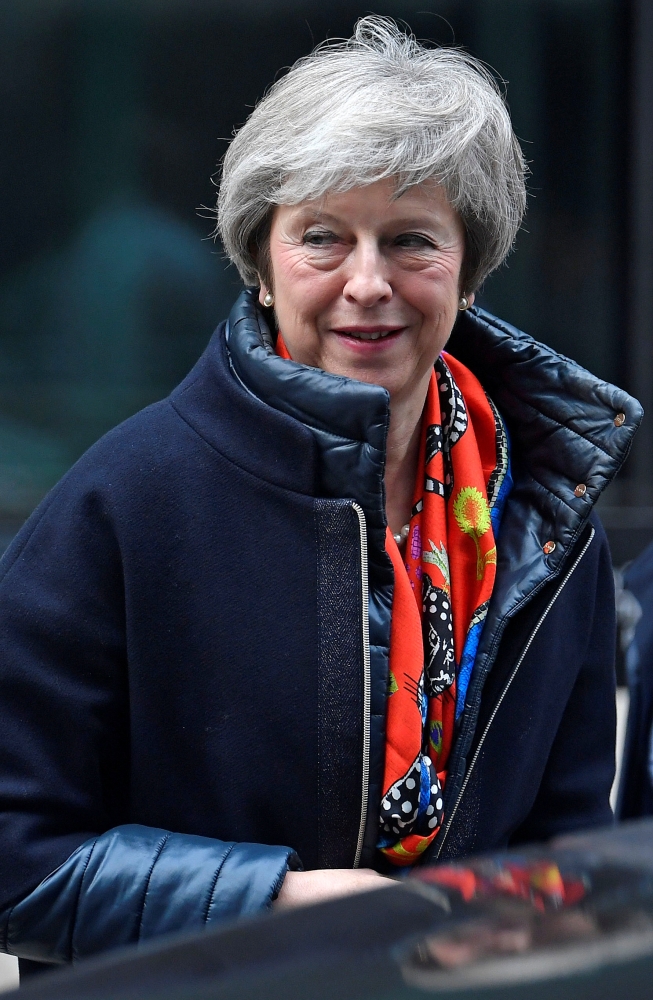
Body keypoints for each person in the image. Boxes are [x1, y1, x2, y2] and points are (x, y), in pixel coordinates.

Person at [0, 17, 641, 972]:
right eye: (323, 239)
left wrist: (526, 920)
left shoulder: (544, 522)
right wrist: (280, 902)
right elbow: (18, 864)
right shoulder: (123, 505)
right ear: (260, 265)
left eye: (412, 239)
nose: (368, 283)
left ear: (471, 271)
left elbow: (563, 858)